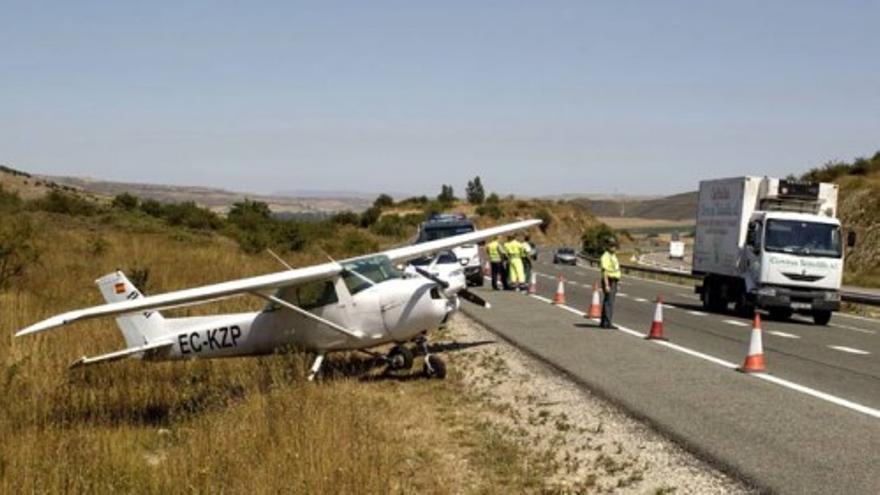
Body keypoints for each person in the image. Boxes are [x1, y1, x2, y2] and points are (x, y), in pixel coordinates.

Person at [600, 239, 622, 329]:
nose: (614, 247)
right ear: (608, 247)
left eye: (615, 246)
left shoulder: (613, 256)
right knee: (609, 302)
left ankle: (604, 322)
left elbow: (616, 269)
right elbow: (605, 271)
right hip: (609, 280)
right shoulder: (605, 256)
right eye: (612, 246)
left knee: (608, 301)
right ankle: (607, 323)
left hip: (614, 280)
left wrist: (618, 282)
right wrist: (607, 285)